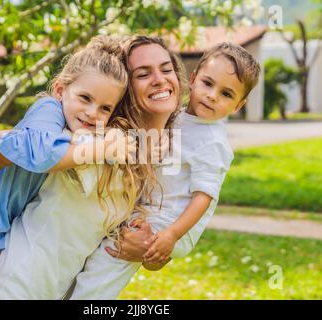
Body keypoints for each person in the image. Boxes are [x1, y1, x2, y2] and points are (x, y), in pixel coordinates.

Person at [0, 36, 141, 299]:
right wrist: (101, 148)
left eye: (105, 108)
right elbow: (44, 154)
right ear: (60, 90)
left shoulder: (79, 127)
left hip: (3, 231)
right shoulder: (48, 110)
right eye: (84, 98)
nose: (92, 113)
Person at [69, 42, 261, 299]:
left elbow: (204, 196)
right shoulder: (179, 116)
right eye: (207, 83)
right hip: (152, 213)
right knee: (95, 260)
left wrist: (170, 235)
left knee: (106, 266)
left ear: (238, 105)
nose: (212, 95)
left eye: (226, 94)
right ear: (192, 80)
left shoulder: (213, 141)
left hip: (169, 223)